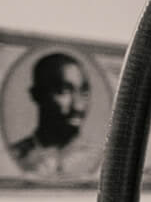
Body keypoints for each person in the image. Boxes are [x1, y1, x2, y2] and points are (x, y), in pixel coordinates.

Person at [8, 50, 101, 178]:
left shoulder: (100, 159)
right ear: (37, 95)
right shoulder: (16, 156)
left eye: (84, 92)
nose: (78, 106)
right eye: (63, 91)